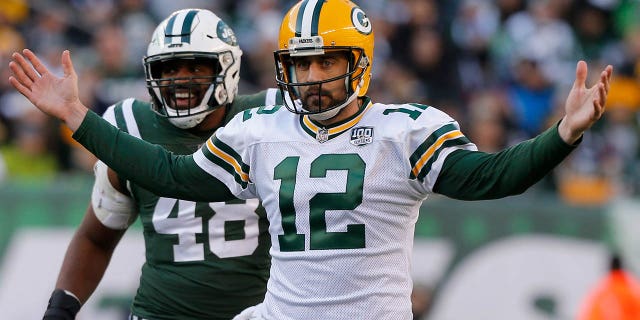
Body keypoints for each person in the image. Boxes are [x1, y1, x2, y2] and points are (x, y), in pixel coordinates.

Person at [9, 0, 612, 319]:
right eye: (301, 63)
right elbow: (173, 177)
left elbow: (491, 178)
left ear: (361, 63)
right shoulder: (261, 129)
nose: (314, 76)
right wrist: (77, 117)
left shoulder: (403, 129)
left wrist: (561, 134)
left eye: (328, 61)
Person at [35, 9, 281, 320]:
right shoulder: (131, 126)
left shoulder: (269, 120)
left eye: (195, 67)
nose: (180, 79)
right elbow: (97, 237)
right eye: (169, 68)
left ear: (228, 68)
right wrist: (60, 310)